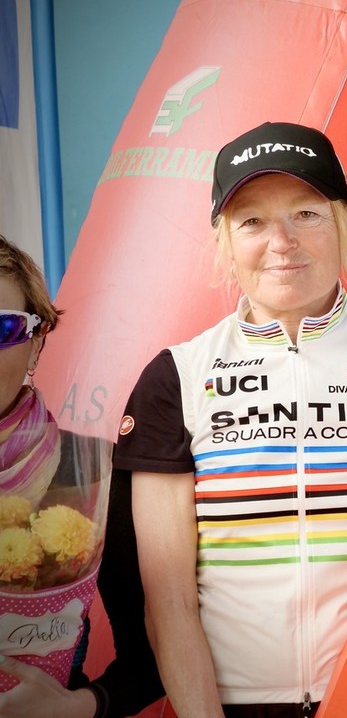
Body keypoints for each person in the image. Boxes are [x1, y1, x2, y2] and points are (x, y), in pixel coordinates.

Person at [112, 121, 347, 718]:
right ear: (223, 241)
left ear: (344, 222)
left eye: (306, 214)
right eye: (252, 221)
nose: (282, 241)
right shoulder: (174, 380)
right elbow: (169, 601)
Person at [0, 234, 164, 717]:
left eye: (3, 327)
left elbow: (153, 654)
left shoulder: (92, 472)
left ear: (36, 345)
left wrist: (81, 707)